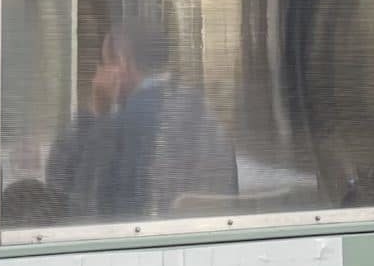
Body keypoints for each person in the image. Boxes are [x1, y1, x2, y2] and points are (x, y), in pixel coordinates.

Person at [44, 15, 235, 222]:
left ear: (122, 63)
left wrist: (97, 112)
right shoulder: (201, 110)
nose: (99, 74)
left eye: (105, 63)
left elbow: (71, 192)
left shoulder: (123, 126)